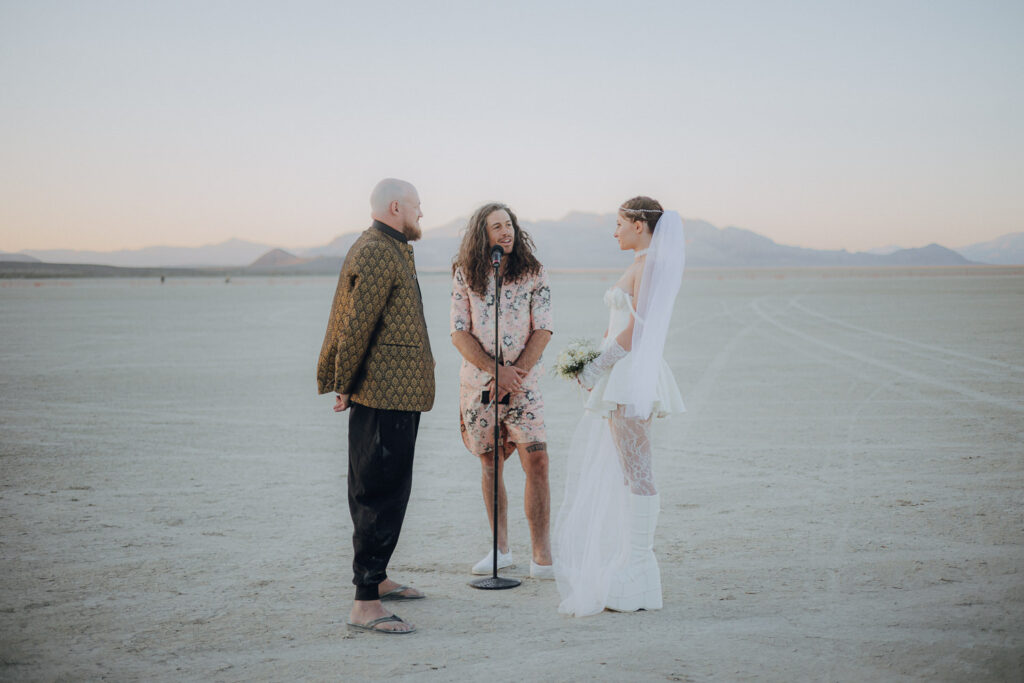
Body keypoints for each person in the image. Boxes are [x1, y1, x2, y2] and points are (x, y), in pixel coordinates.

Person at [552, 196, 686, 616]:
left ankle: (641, 566)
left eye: (619, 223)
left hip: (631, 374)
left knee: (638, 470)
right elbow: (617, 325)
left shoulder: (648, 267)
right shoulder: (638, 264)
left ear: (640, 225)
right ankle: (636, 568)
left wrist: (596, 368)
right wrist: (594, 360)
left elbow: (638, 330)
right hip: (623, 372)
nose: (614, 231)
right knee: (631, 473)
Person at [316, 178, 435, 634]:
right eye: (417, 206)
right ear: (395, 206)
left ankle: (378, 579)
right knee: (377, 493)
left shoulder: (392, 248)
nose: (421, 214)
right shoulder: (375, 251)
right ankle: (364, 602)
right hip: (383, 394)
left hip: (398, 394)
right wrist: (343, 383)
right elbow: (355, 323)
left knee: (389, 490)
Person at [450, 202, 555, 579]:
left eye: (509, 225)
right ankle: (500, 550)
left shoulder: (534, 273)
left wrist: (516, 373)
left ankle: (542, 556)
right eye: (496, 227)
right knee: (491, 464)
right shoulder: (466, 275)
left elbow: (543, 329)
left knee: (537, 462)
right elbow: (459, 332)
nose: (505, 232)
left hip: (524, 387)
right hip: (480, 388)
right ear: (484, 235)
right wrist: (495, 371)